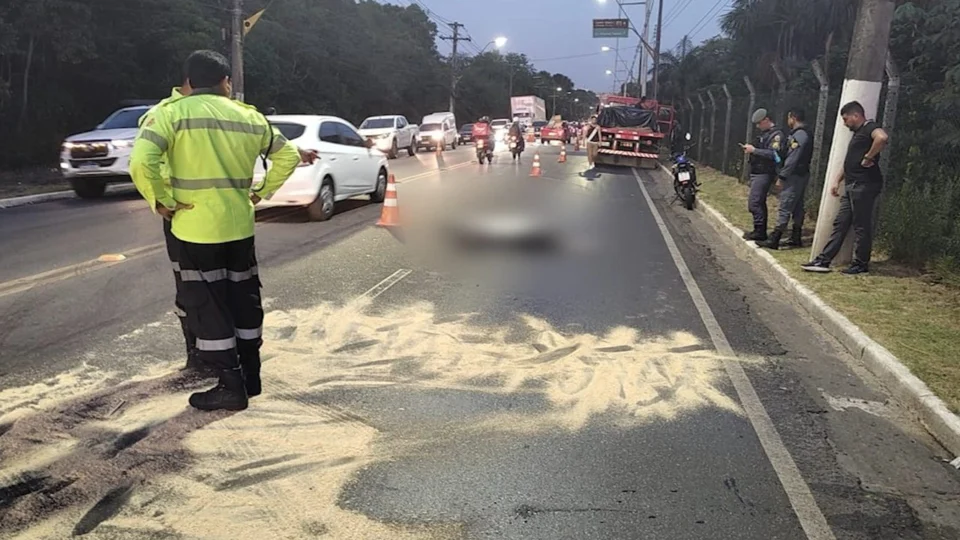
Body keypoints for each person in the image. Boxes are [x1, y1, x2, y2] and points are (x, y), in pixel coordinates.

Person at [130, 50, 300, 411]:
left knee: (209, 306)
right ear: (225, 82)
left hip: (194, 229)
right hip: (239, 225)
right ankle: (252, 377)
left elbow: (141, 162)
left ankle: (229, 386)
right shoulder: (249, 117)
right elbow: (289, 156)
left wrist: (160, 200)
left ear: (188, 81)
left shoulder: (169, 115)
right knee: (244, 298)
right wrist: (261, 192)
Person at [802, 101, 888, 275]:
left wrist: (869, 157)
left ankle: (861, 264)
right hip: (852, 185)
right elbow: (850, 161)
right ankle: (824, 260)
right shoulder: (858, 135)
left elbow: (882, 137)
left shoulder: (869, 127)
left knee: (860, 226)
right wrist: (837, 180)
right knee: (840, 223)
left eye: (846, 119)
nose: (845, 123)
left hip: (864, 185)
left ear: (856, 115)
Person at [758, 108, 813, 250]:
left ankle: (775, 238)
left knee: (785, 205)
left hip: (794, 175)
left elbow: (793, 158)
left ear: (793, 118)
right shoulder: (802, 133)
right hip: (799, 174)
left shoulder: (799, 135)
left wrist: (782, 176)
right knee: (797, 206)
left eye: (789, 118)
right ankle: (796, 236)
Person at [741, 108, 786, 241]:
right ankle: (758, 229)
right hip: (757, 171)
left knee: (755, 203)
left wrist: (754, 150)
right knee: (758, 202)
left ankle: (760, 231)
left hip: (765, 172)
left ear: (767, 120)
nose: (758, 126)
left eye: (760, 123)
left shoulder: (777, 135)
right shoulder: (765, 134)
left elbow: (775, 155)